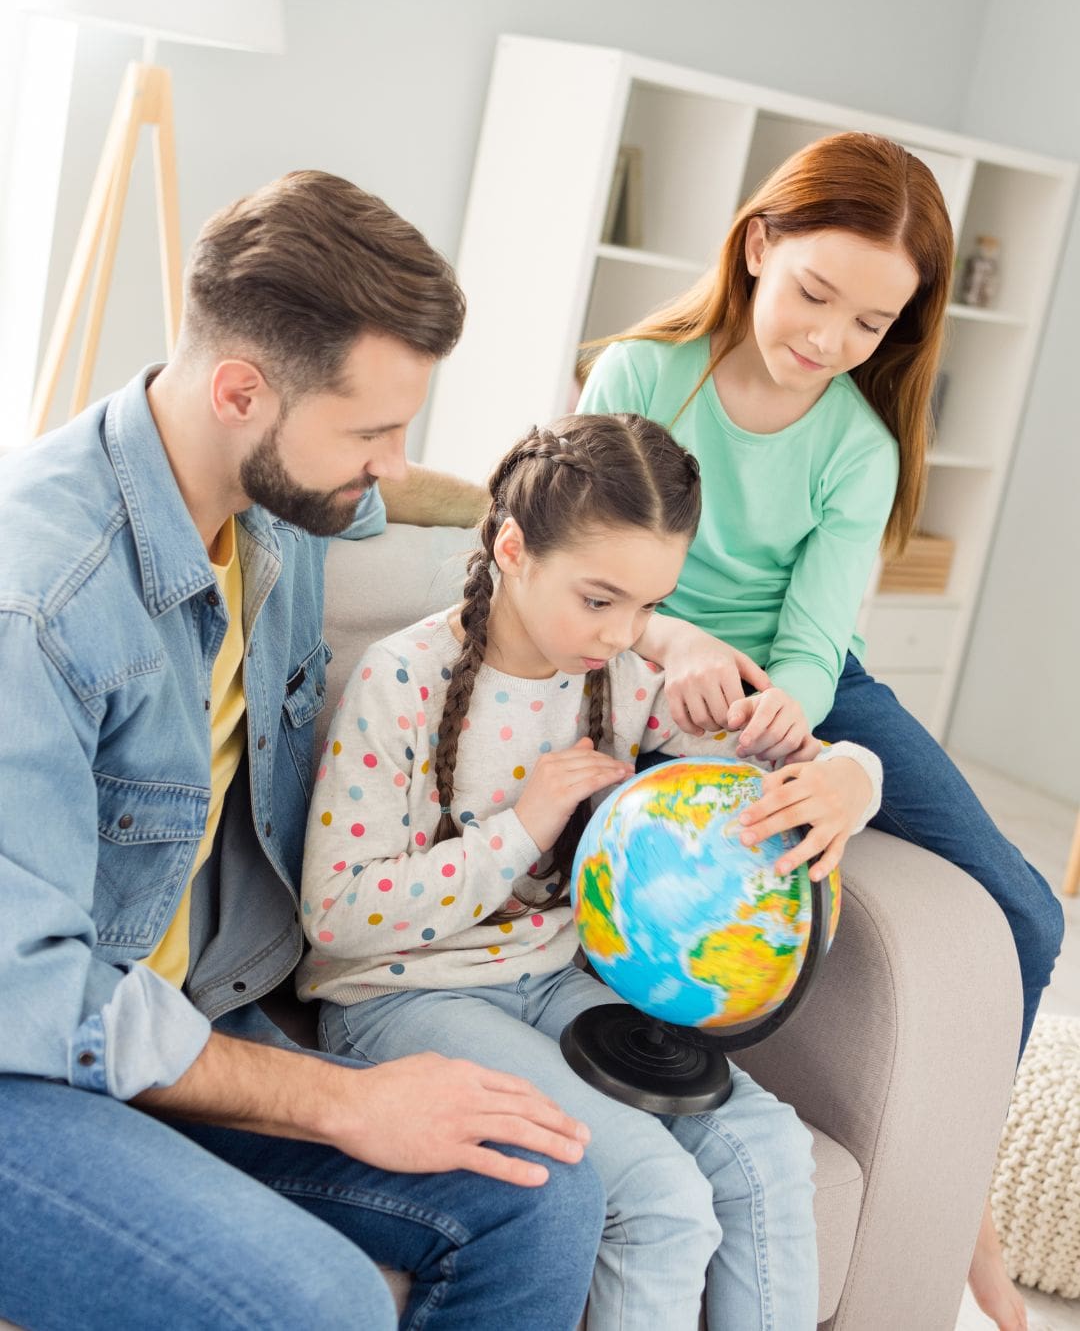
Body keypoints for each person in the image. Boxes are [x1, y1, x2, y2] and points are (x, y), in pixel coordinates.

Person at [0, 171, 608, 1331]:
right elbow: (24, 990)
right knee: (322, 1301)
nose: (391, 460)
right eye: (372, 431)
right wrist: (341, 1104)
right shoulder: (40, 604)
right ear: (241, 390)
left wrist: (564, 559)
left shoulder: (271, 497)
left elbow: (402, 502)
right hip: (26, 1064)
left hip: (172, 1017)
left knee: (539, 1186)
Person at [577, 130, 1062, 1331]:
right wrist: (671, 640)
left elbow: (812, 639)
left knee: (1030, 910)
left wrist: (793, 724)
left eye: (871, 323)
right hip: (643, 649)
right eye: (814, 294)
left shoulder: (860, 443)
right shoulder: (641, 376)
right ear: (757, 246)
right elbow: (582, 564)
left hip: (809, 679)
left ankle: (964, 1189)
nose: (831, 339)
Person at [300, 411, 884, 1330]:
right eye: (601, 600)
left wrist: (850, 776)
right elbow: (334, 916)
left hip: (552, 981)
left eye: (651, 607)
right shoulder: (399, 679)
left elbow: (775, 769)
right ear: (513, 550)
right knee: (660, 1199)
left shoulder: (628, 677)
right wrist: (522, 827)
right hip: (399, 997)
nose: (625, 633)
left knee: (769, 1148)